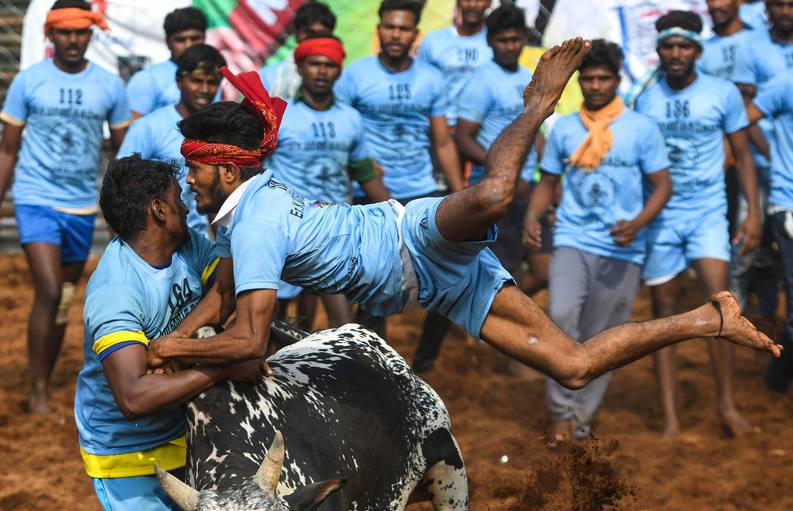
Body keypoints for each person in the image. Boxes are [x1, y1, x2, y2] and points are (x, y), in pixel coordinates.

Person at [143, 42, 778, 400]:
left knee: (497, 192)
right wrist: (177, 338)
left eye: (194, 169)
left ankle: (536, 105)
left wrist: (165, 348)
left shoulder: (251, 222)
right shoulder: (242, 214)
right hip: (437, 285)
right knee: (576, 367)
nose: (186, 180)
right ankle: (707, 318)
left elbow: (249, 341)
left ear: (226, 171)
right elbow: (222, 293)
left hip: (411, 233)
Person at [1, 156, 262, 511]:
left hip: (188, 422)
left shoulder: (185, 244)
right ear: (158, 210)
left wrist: (200, 344)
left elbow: (225, 286)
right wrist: (222, 363)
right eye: (178, 192)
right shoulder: (114, 291)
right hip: (125, 447)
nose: (188, 199)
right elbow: (134, 396)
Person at [526, 40, 671, 444]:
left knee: (603, 338)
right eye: (587, 78)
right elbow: (547, 183)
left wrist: (639, 222)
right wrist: (533, 216)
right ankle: (560, 415)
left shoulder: (641, 129)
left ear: (616, 80)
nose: (594, 85)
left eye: (602, 78)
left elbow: (662, 186)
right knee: (561, 317)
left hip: (621, 248)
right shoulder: (565, 128)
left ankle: (581, 419)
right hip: (572, 239)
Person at [635, 11, 761, 438]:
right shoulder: (645, 97)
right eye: (668, 46)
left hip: (708, 212)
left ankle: (727, 407)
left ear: (696, 50)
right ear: (658, 50)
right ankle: (670, 417)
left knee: (723, 309)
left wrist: (754, 213)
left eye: (684, 46)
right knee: (662, 314)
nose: (675, 53)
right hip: (662, 217)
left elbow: (743, 156)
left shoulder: (722, 92)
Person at [0, 0, 130, 415]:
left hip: (81, 206)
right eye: (65, 32)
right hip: (35, 199)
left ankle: (46, 373)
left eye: (81, 32)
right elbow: (8, 150)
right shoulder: (27, 81)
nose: (73, 40)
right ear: (50, 34)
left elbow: (122, 155)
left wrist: (122, 210)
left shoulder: (110, 85)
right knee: (50, 288)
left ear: (91, 35)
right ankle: (37, 390)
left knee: (63, 299)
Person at [413, 2, 546, 376]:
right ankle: (462, 352)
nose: (509, 45)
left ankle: (480, 328)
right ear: (491, 41)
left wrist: (545, 170)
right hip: (493, 189)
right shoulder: (481, 81)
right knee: (484, 272)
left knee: (536, 268)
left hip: (527, 188)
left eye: (514, 38)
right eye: (501, 39)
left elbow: (535, 132)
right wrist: (502, 170)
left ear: (523, 39)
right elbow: (463, 138)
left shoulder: (528, 79)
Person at [335, 0, 464, 339]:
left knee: (449, 273)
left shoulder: (431, 79)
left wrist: (457, 190)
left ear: (415, 34)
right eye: (390, 26)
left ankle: (428, 356)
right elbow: (342, 131)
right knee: (375, 279)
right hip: (371, 191)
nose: (396, 34)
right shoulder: (355, 75)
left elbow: (443, 142)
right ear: (379, 30)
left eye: (404, 28)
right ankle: (368, 359)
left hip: (422, 187)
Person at [268, 35, 389, 328]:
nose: (322, 71)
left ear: (338, 71)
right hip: (287, 229)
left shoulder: (351, 118)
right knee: (277, 320)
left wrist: (393, 213)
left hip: (336, 230)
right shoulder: (279, 116)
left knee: (343, 324)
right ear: (300, 68)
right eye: (314, 64)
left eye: (330, 65)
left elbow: (364, 172)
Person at [700, 0, 777, 324]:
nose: (716, 4)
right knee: (742, 234)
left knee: (773, 235)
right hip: (733, 157)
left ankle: (769, 300)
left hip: (773, 152)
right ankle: (737, 309)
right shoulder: (702, 51)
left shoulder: (759, 40)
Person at [118, 43, 226, 233]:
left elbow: (216, 202)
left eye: (211, 83)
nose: (204, 89)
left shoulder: (217, 131)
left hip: (197, 246)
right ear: (179, 81)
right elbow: (119, 184)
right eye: (196, 80)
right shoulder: (149, 127)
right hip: (154, 243)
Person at [745, 73, 793, 391]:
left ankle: (777, 379)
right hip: (789, 204)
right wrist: (774, 157)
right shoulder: (787, 83)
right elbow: (744, 118)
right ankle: (776, 382)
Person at [417, 0, 492, 128]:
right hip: (443, 128)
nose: (472, 5)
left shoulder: (497, 43)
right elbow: (422, 89)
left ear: (489, 3)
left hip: (484, 129)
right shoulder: (433, 42)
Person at [126, 7, 207, 119]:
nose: (188, 45)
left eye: (194, 38)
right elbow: (133, 130)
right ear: (168, 43)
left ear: (204, 39)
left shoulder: (211, 76)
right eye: (180, 40)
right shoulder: (147, 78)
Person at [259, 1, 337, 102]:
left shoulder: (338, 80)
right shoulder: (268, 77)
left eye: (321, 35)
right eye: (310, 33)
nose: (315, 40)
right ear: (296, 33)